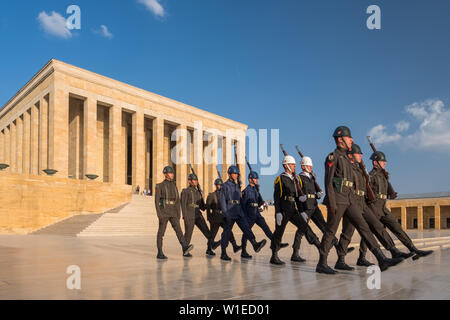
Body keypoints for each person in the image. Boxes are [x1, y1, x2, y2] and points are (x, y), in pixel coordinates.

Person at [316, 126, 404, 274]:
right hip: (337, 199)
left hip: (350, 199)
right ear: (340, 139)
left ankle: (381, 258)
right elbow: (328, 181)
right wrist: (331, 203)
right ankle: (322, 263)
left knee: (363, 226)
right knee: (331, 230)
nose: (352, 140)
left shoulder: (348, 159)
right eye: (349, 137)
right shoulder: (333, 157)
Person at [334, 144, 413, 270]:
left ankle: (393, 251)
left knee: (377, 226)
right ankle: (341, 260)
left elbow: (365, 187)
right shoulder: (348, 169)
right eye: (358, 154)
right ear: (351, 155)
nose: (360, 156)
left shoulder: (360, 170)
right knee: (347, 233)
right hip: (351, 203)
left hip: (362, 203)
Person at [369, 151, 433, 260]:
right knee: (372, 232)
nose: (384, 163)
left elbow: (385, 192)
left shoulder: (384, 175)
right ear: (375, 162)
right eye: (382, 161)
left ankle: (413, 249)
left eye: (385, 161)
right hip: (374, 208)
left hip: (383, 208)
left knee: (397, 227)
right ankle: (363, 256)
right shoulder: (371, 176)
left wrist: (391, 194)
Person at [291, 156, 349, 262]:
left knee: (325, 227)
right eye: (308, 166)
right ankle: (295, 253)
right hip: (305, 207)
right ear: (303, 167)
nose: (310, 167)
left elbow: (313, 192)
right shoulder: (298, 178)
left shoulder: (312, 177)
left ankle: (338, 247)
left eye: (311, 166)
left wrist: (318, 194)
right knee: (301, 230)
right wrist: (301, 210)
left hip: (314, 205)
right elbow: (297, 195)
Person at [270, 155, 324, 265]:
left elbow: (297, 197)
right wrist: (278, 212)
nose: (294, 166)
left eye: (294, 165)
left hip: (292, 209)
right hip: (283, 209)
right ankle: (274, 256)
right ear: (286, 165)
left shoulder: (294, 180)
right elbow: (276, 197)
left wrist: (301, 210)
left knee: (305, 227)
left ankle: (320, 246)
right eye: (292, 165)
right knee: (279, 233)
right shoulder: (280, 179)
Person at [219, 165, 267, 261]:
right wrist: (225, 213)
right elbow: (222, 200)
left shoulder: (237, 186)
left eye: (237, 173)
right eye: (234, 173)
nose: (236, 175)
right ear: (229, 174)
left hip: (238, 211)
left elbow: (240, 199)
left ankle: (254, 244)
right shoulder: (225, 186)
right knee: (227, 232)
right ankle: (223, 252)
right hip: (229, 211)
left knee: (246, 228)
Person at [241, 171, 288, 259]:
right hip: (249, 214)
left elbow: (259, 201)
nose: (257, 180)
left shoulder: (256, 189)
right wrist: (244, 217)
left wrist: (263, 204)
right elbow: (243, 205)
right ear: (250, 179)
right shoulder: (245, 191)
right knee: (246, 233)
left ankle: (277, 243)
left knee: (267, 229)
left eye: (257, 178)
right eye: (255, 179)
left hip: (257, 214)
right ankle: (244, 251)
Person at [154, 166, 193, 260]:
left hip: (173, 212)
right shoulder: (159, 186)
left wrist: (178, 213)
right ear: (166, 174)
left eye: (172, 173)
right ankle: (159, 252)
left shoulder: (174, 185)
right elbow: (156, 201)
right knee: (161, 233)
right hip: (164, 212)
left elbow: (177, 201)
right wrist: (159, 214)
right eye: (171, 173)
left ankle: (184, 248)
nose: (172, 175)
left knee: (179, 231)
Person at [181, 174, 220, 257]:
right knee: (188, 234)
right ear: (190, 181)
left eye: (196, 180)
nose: (196, 182)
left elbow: (203, 207)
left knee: (207, 232)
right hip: (189, 215)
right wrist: (185, 216)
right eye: (194, 180)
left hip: (198, 215)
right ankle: (185, 250)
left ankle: (211, 245)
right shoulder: (185, 191)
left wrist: (207, 201)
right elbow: (183, 205)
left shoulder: (198, 192)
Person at [206, 178, 242, 254]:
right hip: (215, 217)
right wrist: (209, 218)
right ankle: (209, 249)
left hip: (223, 216)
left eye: (220, 185)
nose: (219, 186)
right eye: (218, 185)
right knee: (213, 234)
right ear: (216, 185)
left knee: (228, 231)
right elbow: (208, 208)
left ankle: (234, 245)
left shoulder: (225, 194)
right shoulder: (212, 195)